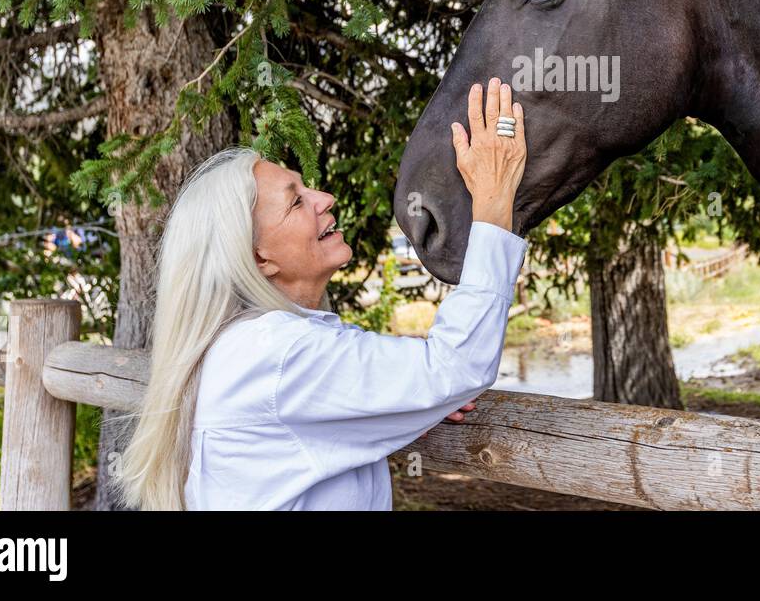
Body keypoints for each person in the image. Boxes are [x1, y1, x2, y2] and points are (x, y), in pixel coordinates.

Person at [111, 78, 528, 509]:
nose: (324, 198)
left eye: (306, 188)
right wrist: (494, 201)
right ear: (258, 259)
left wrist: (400, 406)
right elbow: (456, 367)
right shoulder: (278, 354)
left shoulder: (246, 349)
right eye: (296, 202)